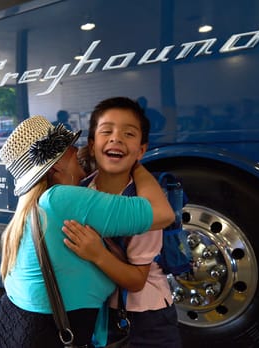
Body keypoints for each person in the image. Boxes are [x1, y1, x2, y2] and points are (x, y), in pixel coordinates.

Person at [0, 115, 175, 348]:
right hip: (36, 339)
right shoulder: (60, 199)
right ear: (57, 165)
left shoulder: (34, 205)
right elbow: (163, 214)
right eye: (71, 151)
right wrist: (135, 165)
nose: (78, 154)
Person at [63, 97, 182, 347]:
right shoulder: (83, 189)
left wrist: (97, 254)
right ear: (93, 144)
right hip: (100, 311)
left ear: (141, 150)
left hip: (144, 319)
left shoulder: (143, 202)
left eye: (129, 134)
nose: (116, 138)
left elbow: (137, 281)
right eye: (107, 131)